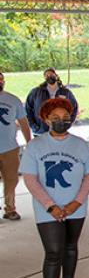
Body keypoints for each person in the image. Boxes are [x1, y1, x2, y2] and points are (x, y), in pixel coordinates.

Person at [19, 98, 89, 278]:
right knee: (54, 252)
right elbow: (31, 179)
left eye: (65, 118)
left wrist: (77, 202)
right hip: (48, 210)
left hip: (75, 207)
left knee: (71, 248)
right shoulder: (35, 146)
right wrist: (50, 205)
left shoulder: (80, 144)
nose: (61, 122)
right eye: (55, 118)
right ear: (45, 119)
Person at [0, 72, 32, 221]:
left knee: (11, 180)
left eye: (1, 79)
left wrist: (29, 141)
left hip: (10, 148)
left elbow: (23, 122)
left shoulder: (13, 100)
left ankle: (10, 208)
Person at [25, 68, 78, 135]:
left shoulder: (66, 92)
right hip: (40, 132)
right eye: (47, 75)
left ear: (56, 75)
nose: (49, 76)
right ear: (45, 78)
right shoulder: (36, 92)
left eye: (51, 74)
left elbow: (74, 108)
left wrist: (67, 124)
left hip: (60, 132)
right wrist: (34, 126)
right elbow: (28, 109)